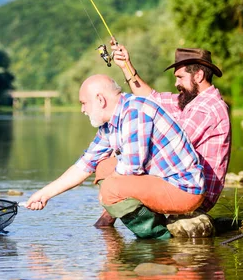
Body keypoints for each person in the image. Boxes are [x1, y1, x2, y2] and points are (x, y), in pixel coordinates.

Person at [25, 74, 206, 239]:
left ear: (100, 99)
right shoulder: (110, 124)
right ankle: (154, 222)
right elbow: (84, 165)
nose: (82, 110)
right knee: (104, 167)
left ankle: (159, 238)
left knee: (110, 188)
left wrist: (106, 196)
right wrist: (44, 194)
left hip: (184, 188)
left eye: (83, 103)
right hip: (163, 182)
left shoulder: (135, 112)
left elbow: (130, 168)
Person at [107, 44, 231, 217]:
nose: (176, 83)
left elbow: (171, 146)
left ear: (199, 75)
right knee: (109, 167)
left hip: (195, 193)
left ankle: (146, 231)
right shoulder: (192, 101)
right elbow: (152, 99)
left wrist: (127, 156)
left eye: (180, 77)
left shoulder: (207, 108)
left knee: (115, 178)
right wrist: (126, 65)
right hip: (178, 180)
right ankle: (119, 223)